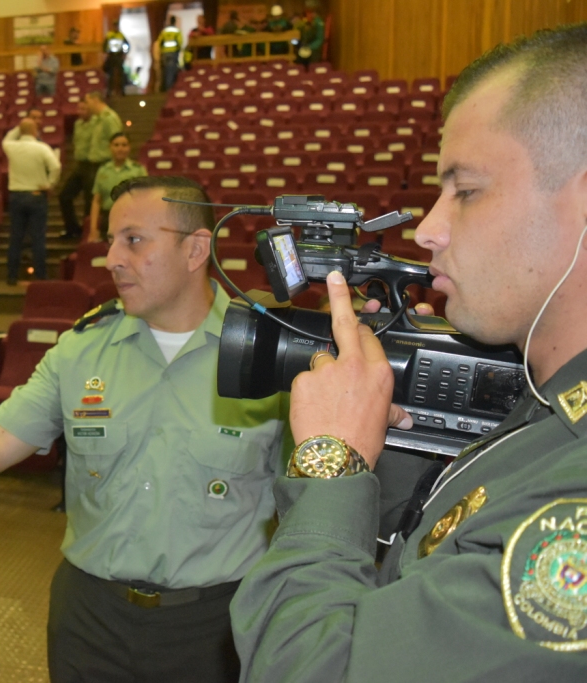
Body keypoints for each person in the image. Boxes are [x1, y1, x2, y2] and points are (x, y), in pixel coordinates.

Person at [0, 176, 292, 682]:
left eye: (132, 240)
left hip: (217, 624)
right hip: (90, 618)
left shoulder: (274, 358)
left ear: (196, 248)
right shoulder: (82, 349)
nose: (110, 258)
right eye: (110, 240)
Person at [232, 24, 587, 683]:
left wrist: (331, 464)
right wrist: (393, 442)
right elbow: (430, 561)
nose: (428, 228)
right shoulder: (547, 406)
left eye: (468, 190)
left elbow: (312, 670)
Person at [2, 118, 60, 285]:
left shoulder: (11, 146)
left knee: (16, 238)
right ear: (36, 131)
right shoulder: (42, 148)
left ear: (20, 131)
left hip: (17, 196)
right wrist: (50, 185)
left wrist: (20, 127)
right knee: (38, 238)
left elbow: (7, 137)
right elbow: (56, 167)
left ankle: (11, 276)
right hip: (36, 195)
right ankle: (40, 275)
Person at [87, 132, 147, 242]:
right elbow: (96, 201)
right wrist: (93, 229)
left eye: (124, 145)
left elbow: (145, 200)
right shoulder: (103, 170)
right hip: (107, 220)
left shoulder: (138, 170)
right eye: (116, 145)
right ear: (110, 147)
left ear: (129, 147)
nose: (120, 148)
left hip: (131, 220)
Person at [58, 101, 94, 240]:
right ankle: (72, 228)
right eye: (79, 108)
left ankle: (86, 232)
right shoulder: (78, 124)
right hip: (79, 164)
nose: (80, 111)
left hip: (91, 164)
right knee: (64, 196)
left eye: (84, 108)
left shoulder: (96, 124)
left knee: (88, 201)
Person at [84, 90, 124, 189]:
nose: (86, 106)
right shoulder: (97, 118)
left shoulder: (109, 118)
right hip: (95, 165)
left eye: (87, 102)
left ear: (95, 100)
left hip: (105, 164)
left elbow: (117, 141)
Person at [102, 24, 130, 98]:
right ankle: (109, 91)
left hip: (118, 56)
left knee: (121, 74)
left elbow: (127, 45)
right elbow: (104, 46)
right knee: (110, 75)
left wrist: (124, 53)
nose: (116, 27)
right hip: (111, 56)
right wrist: (106, 53)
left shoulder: (121, 35)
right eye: (115, 26)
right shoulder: (109, 35)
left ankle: (122, 91)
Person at [156, 16, 183, 92]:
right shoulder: (177, 31)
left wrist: (162, 51)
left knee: (165, 71)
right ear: (175, 22)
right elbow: (180, 43)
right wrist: (177, 51)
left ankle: (166, 89)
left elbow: (160, 42)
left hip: (165, 54)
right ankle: (170, 90)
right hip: (173, 54)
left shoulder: (164, 31)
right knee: (172, 71)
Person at [296, 0, 325, 65]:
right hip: (303, 49)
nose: (309, 13)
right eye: (307, 11)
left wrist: (309, 47)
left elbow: (319, 39)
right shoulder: (304, 22)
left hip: (313, 51)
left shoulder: (318, 22)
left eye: (311, 11)